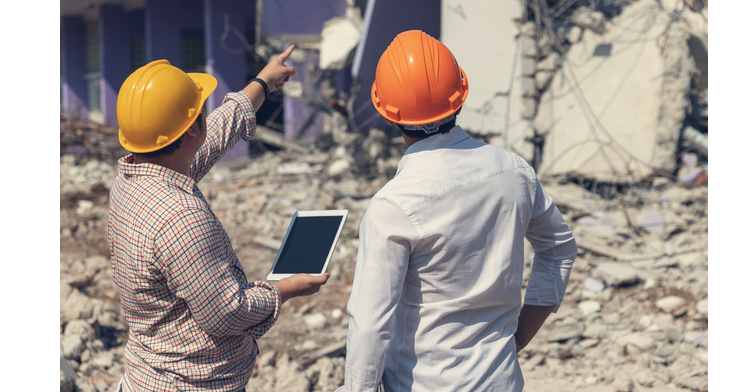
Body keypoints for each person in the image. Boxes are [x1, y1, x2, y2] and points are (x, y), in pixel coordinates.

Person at [336, 31, 579, 392]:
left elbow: (370, 327)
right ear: (460, 97)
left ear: (388, 113)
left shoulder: (392, 206)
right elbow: (558, 249)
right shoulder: (513, 171)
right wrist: (518, 339)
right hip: (501, 380)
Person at [108, 45, 330, 392]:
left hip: (147, 377)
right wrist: (285, 290)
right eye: (200, 113)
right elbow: (226, 313)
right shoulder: (181, 218)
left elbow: (213, 136)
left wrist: (261, 82)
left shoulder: (134, 177)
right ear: (191, 131)